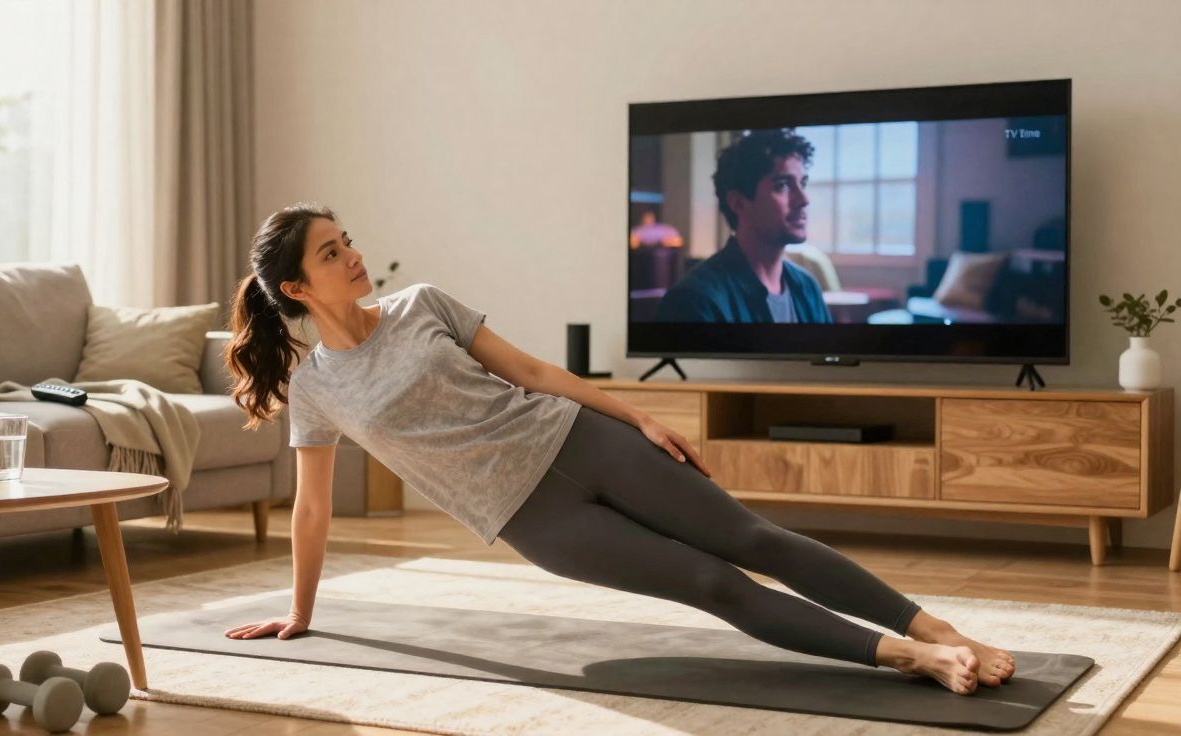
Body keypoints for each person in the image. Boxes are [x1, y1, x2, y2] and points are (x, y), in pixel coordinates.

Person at [219, 202, 1015, 695]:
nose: (352, 254)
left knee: (754, 538)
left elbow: (531, 369)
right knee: (713, 583)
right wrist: (300, 611)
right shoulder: (316, 387)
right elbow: (313, 508)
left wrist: (639, 419)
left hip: (579, 440)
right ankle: (904, 658)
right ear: (296, 289)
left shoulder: (421, 303)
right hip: (534, 518)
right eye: (330, 253)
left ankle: (939, 630)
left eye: (346, 239)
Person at [656, 128, 833, 324]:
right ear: (738, 203)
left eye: (803, 183)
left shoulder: (807, 287)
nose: (804, 199)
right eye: (782, 185)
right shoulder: (695, 300)